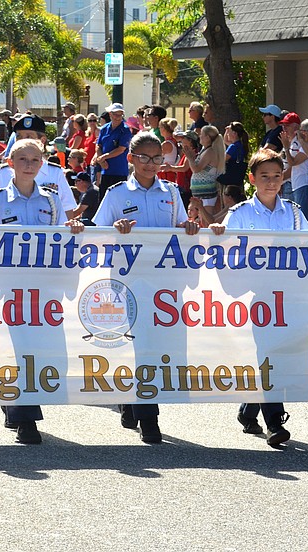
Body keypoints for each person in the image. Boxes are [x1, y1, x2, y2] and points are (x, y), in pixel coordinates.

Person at [92, 132, 200, 444]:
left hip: (165, 282)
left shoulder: (171, 192)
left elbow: (180, 226)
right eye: (144, 158)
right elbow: (98, 233)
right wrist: (116, 231)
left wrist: (188, 227)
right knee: (140, 344)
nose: (151, 164)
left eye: (157, 158)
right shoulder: (116, 193)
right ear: (131, 160)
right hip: (129, 280)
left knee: (160, 343)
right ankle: (148, 414)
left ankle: (132, 401)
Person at [0, 139, 84, 444]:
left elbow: (62, 240)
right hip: (10, 286)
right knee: (18, 347)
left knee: (42, 349)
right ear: (10, 163)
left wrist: (72, 228)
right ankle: (26, 418)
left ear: (42, 165)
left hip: (43, 287)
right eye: (22, 159)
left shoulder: (51, 201)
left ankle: (16, 406)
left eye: (34, 160)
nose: (28, 164)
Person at [209, 149, 308, 447]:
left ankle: (248, 409)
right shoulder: (240, 213)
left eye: (277, 176)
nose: (271, 182)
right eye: (265, 177)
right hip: (255, 296)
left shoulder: (293, 211)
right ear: (252, 179)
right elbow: (223, 246)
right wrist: (218, 233)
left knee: (277, 353)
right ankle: (274, 421)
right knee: (269, 352)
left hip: (287, 294)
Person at [0, 114, 77, 219]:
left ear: (42, 140)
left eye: (29, 136)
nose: (22, 141)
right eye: (19, 136)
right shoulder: (4, 172)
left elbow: (67, 209)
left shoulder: (54, 172)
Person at [94, 103, 133, 200]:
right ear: (110, 114)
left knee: (118, 199)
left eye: (120, 115)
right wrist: (101, 160)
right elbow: (98, 145)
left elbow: (121, 149)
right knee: (103, 199)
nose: (118, 117)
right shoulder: (104, 128)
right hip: (105, 171)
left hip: (119, 171)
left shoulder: (125, 130)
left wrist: (104, 157)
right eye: (116, 114)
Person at [184, 125, 225, 214]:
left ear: (207, 137)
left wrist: (190, 158)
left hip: (207, 193)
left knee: (206, 220)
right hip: (201, 192)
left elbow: (196, 169)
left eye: (201, 135)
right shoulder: (205, 150)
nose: (200, 137)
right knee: (202, 220)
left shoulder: (210, 151)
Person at [284, 118, 308, 222]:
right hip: (299, 184)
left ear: (306, 133)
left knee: (303, 217)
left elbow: (292, 162)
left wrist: (286, 147)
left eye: (300, 130)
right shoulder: (305, 147)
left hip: (304, 184)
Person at [220, 121, 249, 187]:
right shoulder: (239, 145)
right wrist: (227, 130)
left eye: (229, 132)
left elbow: (223, 160)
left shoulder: (233, 147)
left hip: (230, 177)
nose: (227, 134)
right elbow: (226, 141)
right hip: (237, 178)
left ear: (234, 133)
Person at [157, 118, 180, 183]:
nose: (159, 129)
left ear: (164, 129)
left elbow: (155, 155)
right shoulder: (173, 141)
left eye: (160, 127)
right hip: (168, 173)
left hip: (165, 174)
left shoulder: (167, 144)